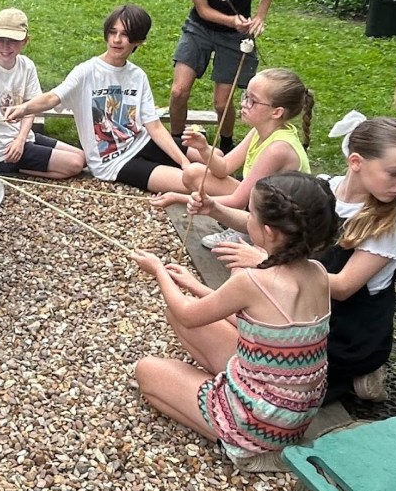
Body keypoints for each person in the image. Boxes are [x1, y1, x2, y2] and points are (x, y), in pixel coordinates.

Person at [204, 117, 396, 404]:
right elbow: (268, 227)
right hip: (298, 308)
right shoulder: (323, 187)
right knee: (222, 323)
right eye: (395, 173)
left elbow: (345, 286)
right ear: (356, 161)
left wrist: (264, 259)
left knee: (222, 340)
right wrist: (215, 209)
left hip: (341, 332)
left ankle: (359, 372)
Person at [132, 172, 338, 472]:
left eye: (250, 213)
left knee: (146, 371)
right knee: (188, 311)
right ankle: (243, 414)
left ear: (268, 232)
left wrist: (159, 271)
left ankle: (244, 449)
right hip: (293, 413)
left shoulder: (254, 280)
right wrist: (193, 285)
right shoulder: (318, 272)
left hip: (258, 421)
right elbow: (258, 322)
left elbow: (188, 314)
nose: (247, 218)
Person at [5, 5, 218, 193]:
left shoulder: (137, 76)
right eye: (113, 32)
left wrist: (182, 161)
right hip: (113, 162)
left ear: (139, 41)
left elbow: (154, 127)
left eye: (125, 35)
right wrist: (24, 109)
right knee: (196, 180)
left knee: (212, 156)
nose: (117, 40)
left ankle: (243, 199)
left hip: (142, 142)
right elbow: (52, 98)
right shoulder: (86, 71)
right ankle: (240, 203)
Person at [150, 68, 312, 248]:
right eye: (245, 96)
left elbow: (238, 200)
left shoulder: (278, 149)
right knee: (194, 173)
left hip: (283, 220)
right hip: (261, 203)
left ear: (277, 112)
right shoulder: (260, 130)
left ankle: (248, 232)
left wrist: (179, 198)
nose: (243, 104)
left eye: (253, 101)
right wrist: (203, 149)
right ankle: (243, 225)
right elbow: (225, 167)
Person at [167, 0, 279, 153]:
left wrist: (260, 15)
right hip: (200, 28)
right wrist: (232, 20)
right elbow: (204, 10)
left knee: (222, 103)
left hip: (234, 38)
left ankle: (226, 145)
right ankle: (176, 145)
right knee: (178, 91)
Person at [0, 8, 84, 178]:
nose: (5, 47)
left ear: (25, 41)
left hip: (25, 138)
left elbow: (31, 109)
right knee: (75, 164)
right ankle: (7, 168)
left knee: (82, 157)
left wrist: (21, 139)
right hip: (3, 148)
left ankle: (14, 167)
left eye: (12, 41)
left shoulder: (27, 66)